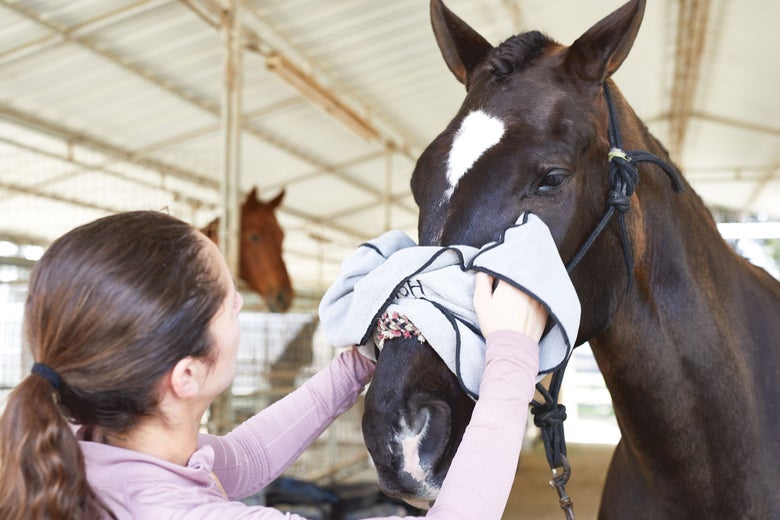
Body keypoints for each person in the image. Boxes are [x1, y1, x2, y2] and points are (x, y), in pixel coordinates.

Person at [0, 210, 547, 520]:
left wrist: (357, 363)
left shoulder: (83, 446)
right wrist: (512, 355)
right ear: (186, 376)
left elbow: (244, 457)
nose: (240, 304)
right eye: (229, 302)